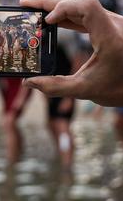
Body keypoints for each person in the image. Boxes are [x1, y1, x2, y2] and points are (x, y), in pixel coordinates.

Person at [20, 0, 123, 109]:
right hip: (57, 78)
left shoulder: (64, 35)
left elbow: (77, 57)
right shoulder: (48, 34)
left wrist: (68, 99)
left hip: (62, 77)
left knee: (60, 123)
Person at [46, 32, 75, 170]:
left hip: (66, 89)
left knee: (63, 128)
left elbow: (77, 63)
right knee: (52, 125)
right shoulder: (47, 37)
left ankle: (67, 164)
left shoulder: (67, 36)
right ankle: (62, 157)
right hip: (54, 92)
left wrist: (69, 97)